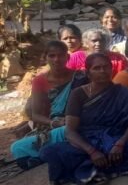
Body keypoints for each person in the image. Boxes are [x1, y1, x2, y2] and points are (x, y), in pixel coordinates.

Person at [39, 53, 128, 185]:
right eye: (97, 68)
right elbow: (70, 131)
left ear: (111, 69)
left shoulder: (122, 92)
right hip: (88, 142)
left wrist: (120, 144)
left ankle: (93, 170)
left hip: (117, 140)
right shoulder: (78, 94)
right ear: (88, 73)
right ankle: (127, 165)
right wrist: (92, 152)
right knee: (49, 152)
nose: (102, 71)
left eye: (106, 67)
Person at [10, 41, 87, 170]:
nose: (56, 59)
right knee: (17, 147)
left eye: (61, 55)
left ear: (67, 57)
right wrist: (54, 123)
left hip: (78, 123)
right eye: (52, 55)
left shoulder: (80, 77)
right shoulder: (40, 81)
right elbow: (35, 115)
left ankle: (47, 154)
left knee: (71, 131)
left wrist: (72, 119)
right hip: (55, 127)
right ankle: (59, 150)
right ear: (45, 58)